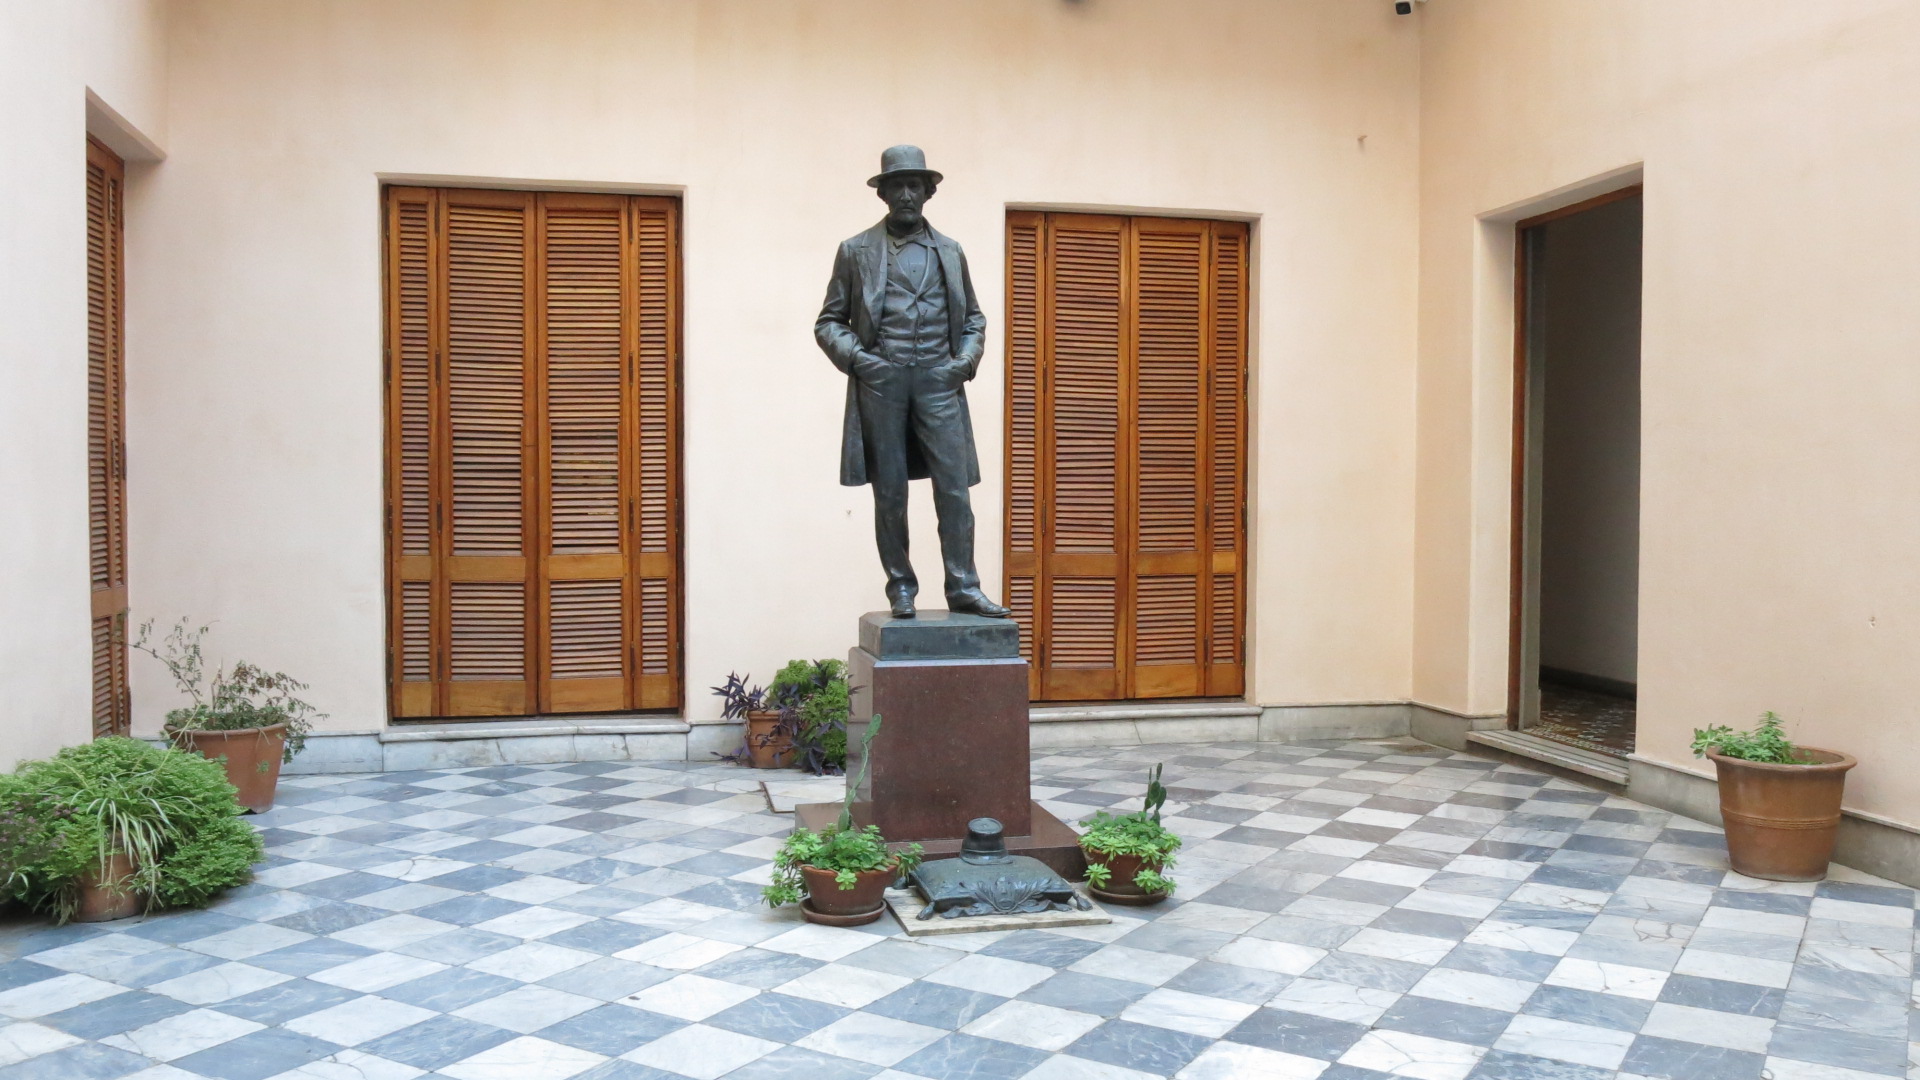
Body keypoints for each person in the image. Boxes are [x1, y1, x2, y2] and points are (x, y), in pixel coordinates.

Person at [814, 145, 1011, 620]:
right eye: (896, 185)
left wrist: (963, 361)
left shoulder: (951, 251)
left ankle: (963, 586)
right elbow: (828, 322)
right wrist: (861, 360)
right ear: (883, 194)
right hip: (882, 382)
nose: (906, 194)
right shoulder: (855, 250)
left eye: (914, 185)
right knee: (891, 492)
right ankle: (901, 586)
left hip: (939, 382)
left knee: (954, 489)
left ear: (928, 191)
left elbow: (975, 319)